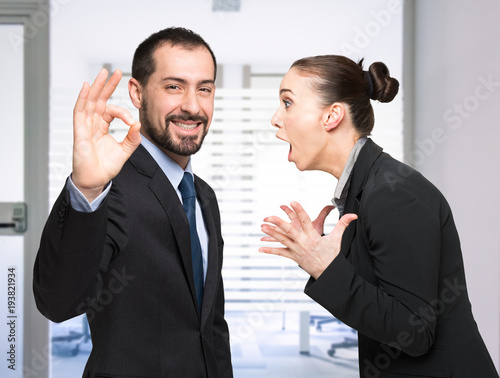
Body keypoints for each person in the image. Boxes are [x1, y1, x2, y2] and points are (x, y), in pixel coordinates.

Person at [259, 55, 499, 378]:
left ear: (332, 115)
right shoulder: (365, 190)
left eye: (287, 102)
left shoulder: (392, 194)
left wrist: (327, 269)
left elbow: (415, 333)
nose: (275, 119)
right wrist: (331, 263)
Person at [33, 27, 233, 378]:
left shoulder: (204, 196)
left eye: (204, 89)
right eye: (174, 86)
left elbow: (211, 325)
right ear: (137, 93)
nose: (192, 105)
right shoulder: (111, 187)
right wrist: (87, 189)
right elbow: (58, 303)